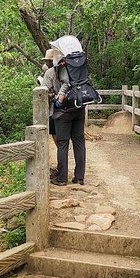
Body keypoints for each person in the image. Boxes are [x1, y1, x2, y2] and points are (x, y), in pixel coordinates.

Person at [49, 37, 86, 186]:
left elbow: (65, 83)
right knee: (79, 141)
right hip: (79, 106)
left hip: (63, 111)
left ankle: (62, 178)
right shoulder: (80, 63)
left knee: (63, 143)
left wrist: (60, 97)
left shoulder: (62, 65)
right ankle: (80, 177)